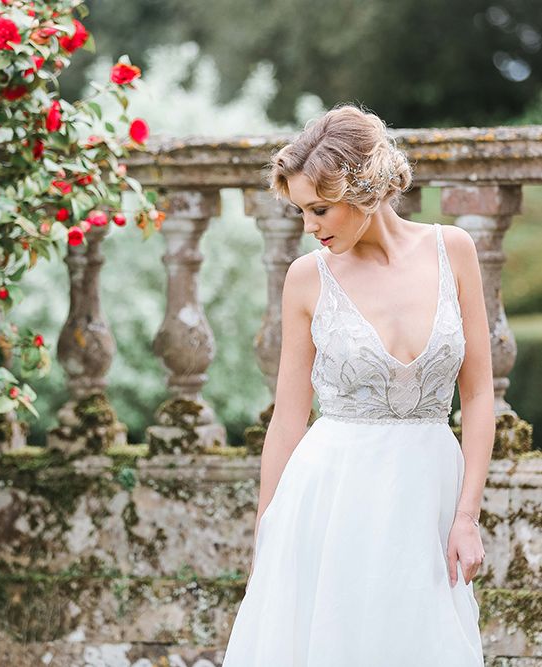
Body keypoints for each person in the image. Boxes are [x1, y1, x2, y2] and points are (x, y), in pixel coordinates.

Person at [221, 103, 493, 666]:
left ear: (364, 189)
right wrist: (266, 536)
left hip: (427, 498)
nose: (309, 226)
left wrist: (466, 515)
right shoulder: (306, 278)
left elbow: (479, 395)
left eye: (319, 209)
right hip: (332, 496)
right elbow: (288, 421)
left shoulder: (455, 251)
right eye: (301, 211)